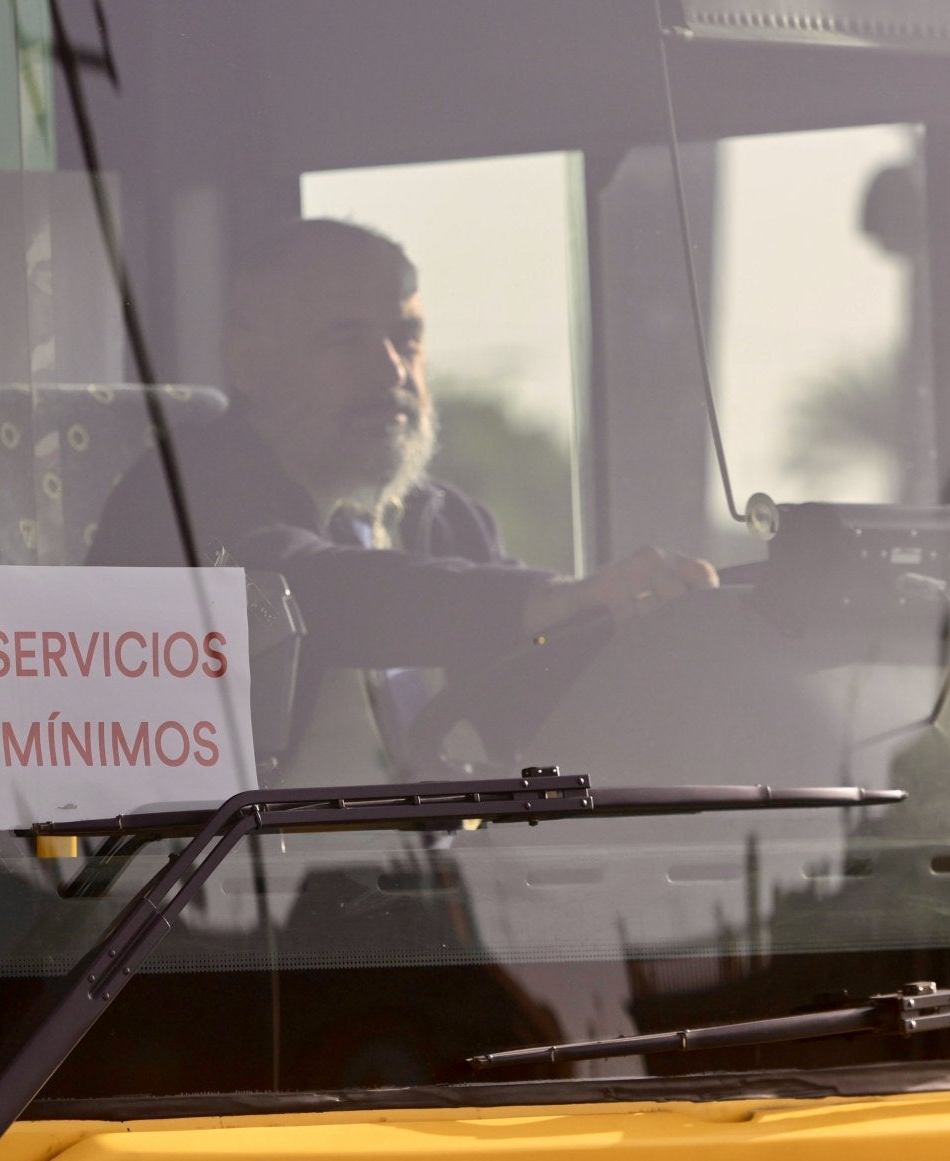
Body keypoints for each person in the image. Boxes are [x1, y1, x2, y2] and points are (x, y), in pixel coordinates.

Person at [87, 219, 716, 765]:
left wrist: (638, 632)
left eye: (407, 338)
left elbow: (531, 690)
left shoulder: (446, 521)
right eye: (346, 339)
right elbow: (306, 590)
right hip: (232, 886)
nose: (393, 369)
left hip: (450, 885)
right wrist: (548, 600)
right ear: (250, 364)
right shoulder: (181, 495)